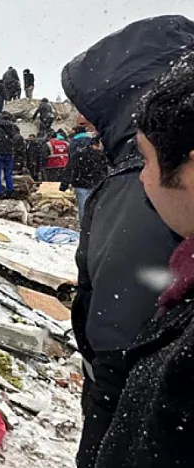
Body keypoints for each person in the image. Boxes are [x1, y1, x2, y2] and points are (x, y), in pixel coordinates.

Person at [61, 16, 193, 468]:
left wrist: (101, 435)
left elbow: (119, 340)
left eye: (150, 159)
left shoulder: (137, 193)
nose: (144, 175)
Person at [60, 136, 108, 222]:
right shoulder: (101, 155)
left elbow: (70, 168)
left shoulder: (80, 153)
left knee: (84, 207)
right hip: (93, 184)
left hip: (82, 184)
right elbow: (104, 170)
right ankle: (90, 226)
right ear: (95, 145)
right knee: (92, 206)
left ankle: (86, 226)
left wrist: (64, 184)